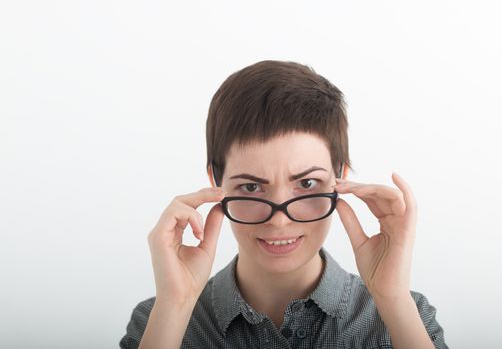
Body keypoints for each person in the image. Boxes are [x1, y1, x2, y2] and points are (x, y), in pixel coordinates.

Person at [119, 60, 448, 348]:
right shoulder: (157, 320)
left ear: (340, 177)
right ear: (216, 183)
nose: (279, 221)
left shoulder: (408, 315)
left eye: (306, 184)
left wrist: (392, 300)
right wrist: (174, 308)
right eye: (251, 186)